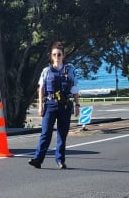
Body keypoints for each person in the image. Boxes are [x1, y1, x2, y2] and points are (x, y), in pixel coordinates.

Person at [28, 41, 80, 169]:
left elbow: (75, 89)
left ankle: (60, 160)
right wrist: (40, 105)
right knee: (45, 133)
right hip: (50, 104)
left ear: (63, 56)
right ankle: (38, 159)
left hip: (65, 106)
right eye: (55, 54)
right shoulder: (46, 71)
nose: (57, 57)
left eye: (59, 54)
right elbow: (41, 89)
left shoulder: (70, 70)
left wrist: (77, 105)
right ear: (51, 56)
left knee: (62, 134)